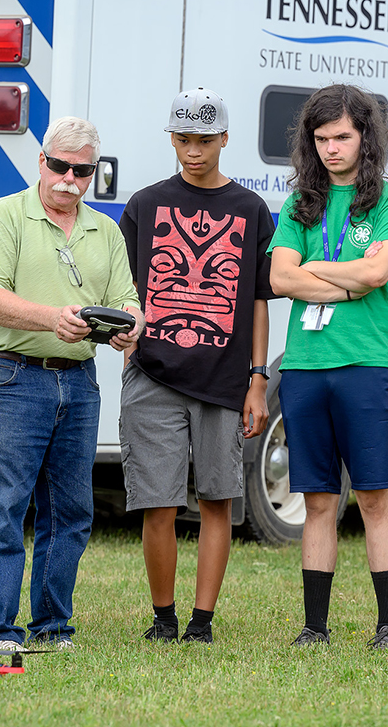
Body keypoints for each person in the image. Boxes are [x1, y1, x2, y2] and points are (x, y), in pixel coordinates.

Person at [0, 116, 143, 651]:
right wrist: (52, 319)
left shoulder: (105, 230)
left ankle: (51, 626)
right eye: (60, 165)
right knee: (4, 507)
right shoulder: (2, 216)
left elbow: (128, 298)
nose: (69, 177)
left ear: (94, 173)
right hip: (13, 375)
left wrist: (129, 328)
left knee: (71, 512)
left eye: (82, 170)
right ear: (40, 161)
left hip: (79, 380)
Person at [118, 88, 277, 644]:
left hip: (225, 379)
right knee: (156, 502)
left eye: (204, 140)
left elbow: (257, 299)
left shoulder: (251, 209)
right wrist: (125, 335)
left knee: (217, 501)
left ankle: (202, 622)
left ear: (225, 139)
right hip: (153, 373)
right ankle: (163, 617)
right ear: (171, 137)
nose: (193, 150)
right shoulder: (143, 205)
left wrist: (258, 380)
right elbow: (124, 289)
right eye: (183, 139)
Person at [268, 84, 388, 651]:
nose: (331, 149)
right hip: (305, 365)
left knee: (375, 496)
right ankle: (314, 628)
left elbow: (378, 275)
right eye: (321, 138)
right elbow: (280, 279)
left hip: (368, 363)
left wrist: (319, 271)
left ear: (365, 138)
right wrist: (346, 276)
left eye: (343, 137)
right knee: (319, 500)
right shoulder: (300, 202)